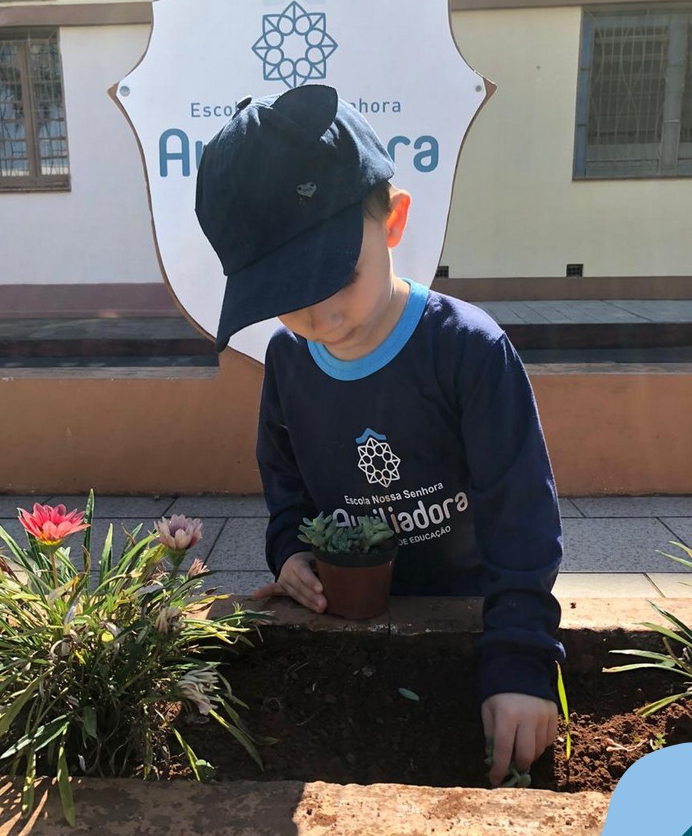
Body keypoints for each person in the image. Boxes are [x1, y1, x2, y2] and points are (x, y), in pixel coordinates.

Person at [195, 84, 564, 786]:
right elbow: (284, 479)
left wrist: (520, 659)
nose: (319, 315)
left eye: (336, 276)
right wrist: (289, 551)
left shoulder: (468, 350)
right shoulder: (288, 360)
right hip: (348, 626)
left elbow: (523, 514)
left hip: (469, 618)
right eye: (285, 295)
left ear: (392, 221)